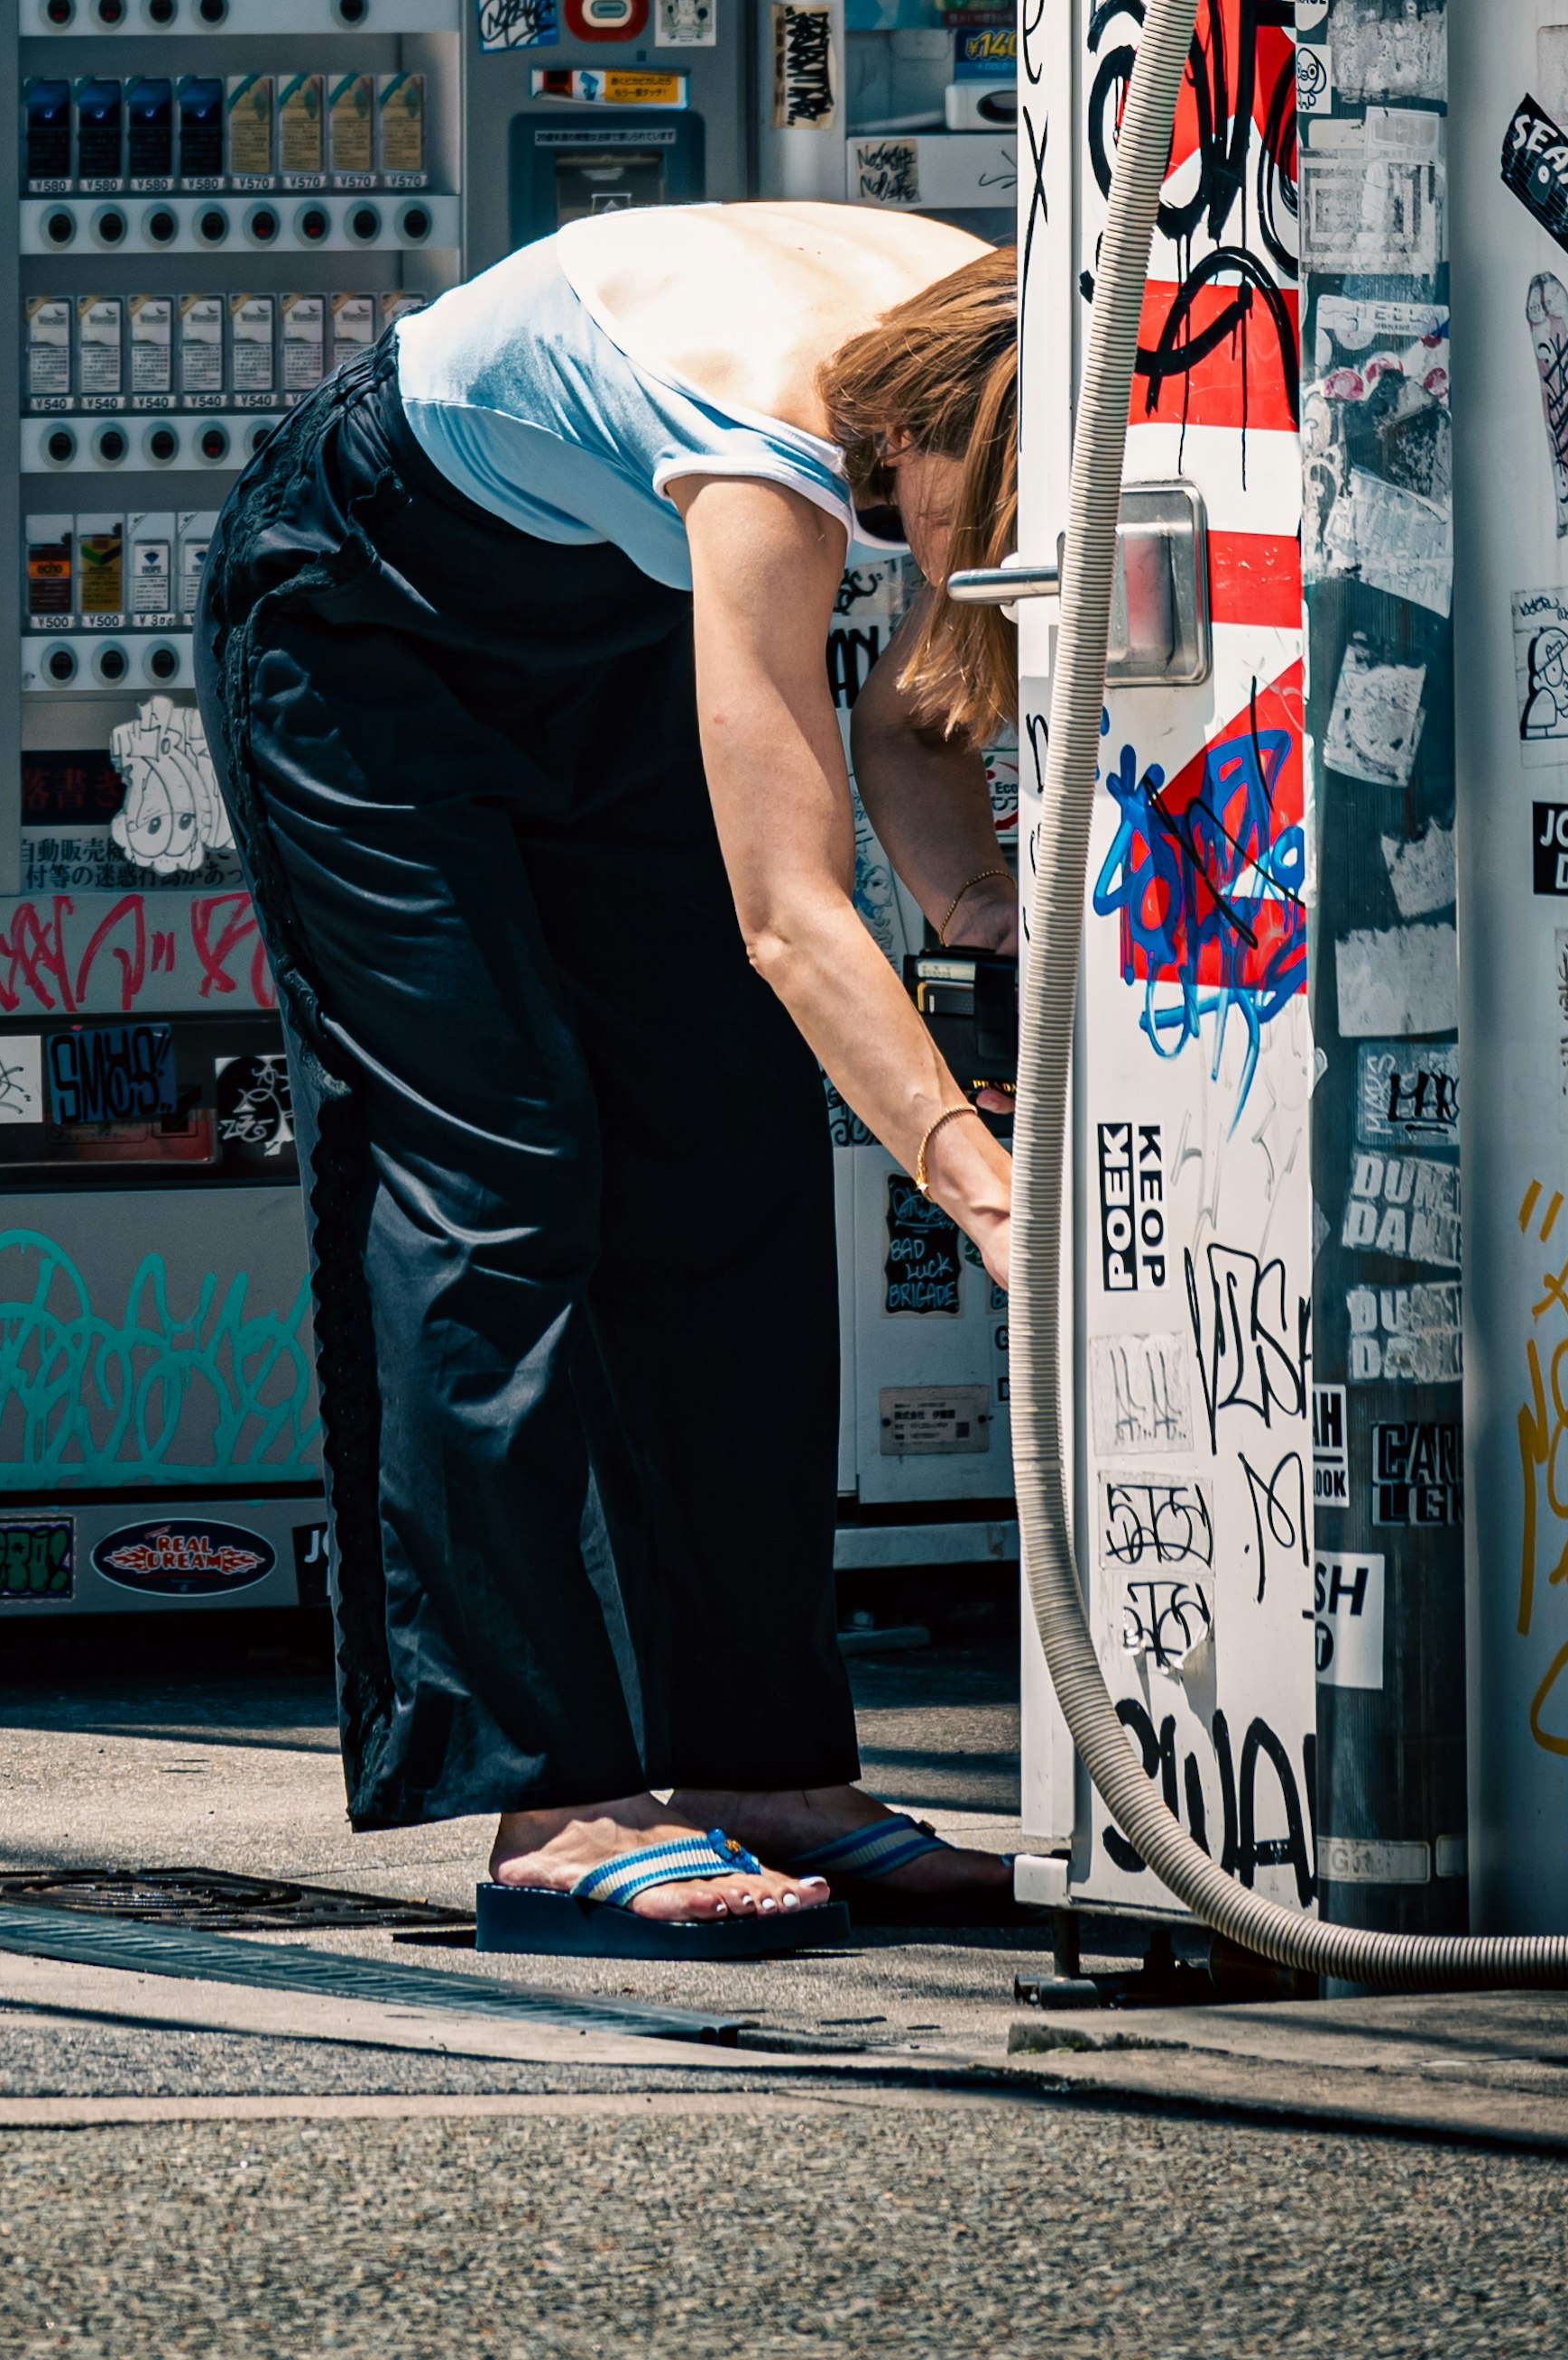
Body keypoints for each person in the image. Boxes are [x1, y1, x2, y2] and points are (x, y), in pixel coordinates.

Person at [197, 202, 1021, 1955]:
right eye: (970, 520)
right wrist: (978, 1183)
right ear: (911, 442)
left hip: (607, 634)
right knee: (498, 1179)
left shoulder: (994, 343)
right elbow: (791, 919)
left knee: (732, 1172)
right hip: (366, 632)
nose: (967, 551)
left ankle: (766, 1768)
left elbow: (912, 710)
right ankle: (551, 1798)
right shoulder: (769, 443)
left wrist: (987, 929)